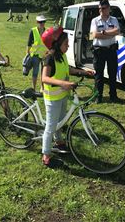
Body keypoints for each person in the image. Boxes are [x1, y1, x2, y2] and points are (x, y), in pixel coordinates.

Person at [40, 26, 93, 168]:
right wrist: (62, 83)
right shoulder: (49, 57)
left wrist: (81, 72)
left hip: (63, 95)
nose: (68, 45)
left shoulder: (61, 55)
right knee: (50, 126)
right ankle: (46, 156)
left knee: (61, 121)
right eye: (66, 43)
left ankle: (59, 142)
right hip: (52, 98)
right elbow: (45, 78)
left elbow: (66, 69)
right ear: (57, 44)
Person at [90, 0, 121, 103]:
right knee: (99, 75)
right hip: (99, 51)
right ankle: (98, 97)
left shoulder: (114, 19)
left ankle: (113, 96)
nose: (101, 11)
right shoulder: (95, 20)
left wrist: (103, 33)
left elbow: (117, 31)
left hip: (111, 50)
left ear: (109, 8)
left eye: (103, 8)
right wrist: (109, 33)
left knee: (112, 74)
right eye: (99, 9)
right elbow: (94, 35)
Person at [26, 15, 47, 91]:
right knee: (35, 72)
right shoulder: (33, 30)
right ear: (37, 22)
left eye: (43, 22)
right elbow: (28, 44)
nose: (42, 23)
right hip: (34, 54)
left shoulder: (47, 31)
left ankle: (42, 87)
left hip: (44, 54)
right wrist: (27, 55)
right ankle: (33, 88)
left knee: (43, 72)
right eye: (40, 22)